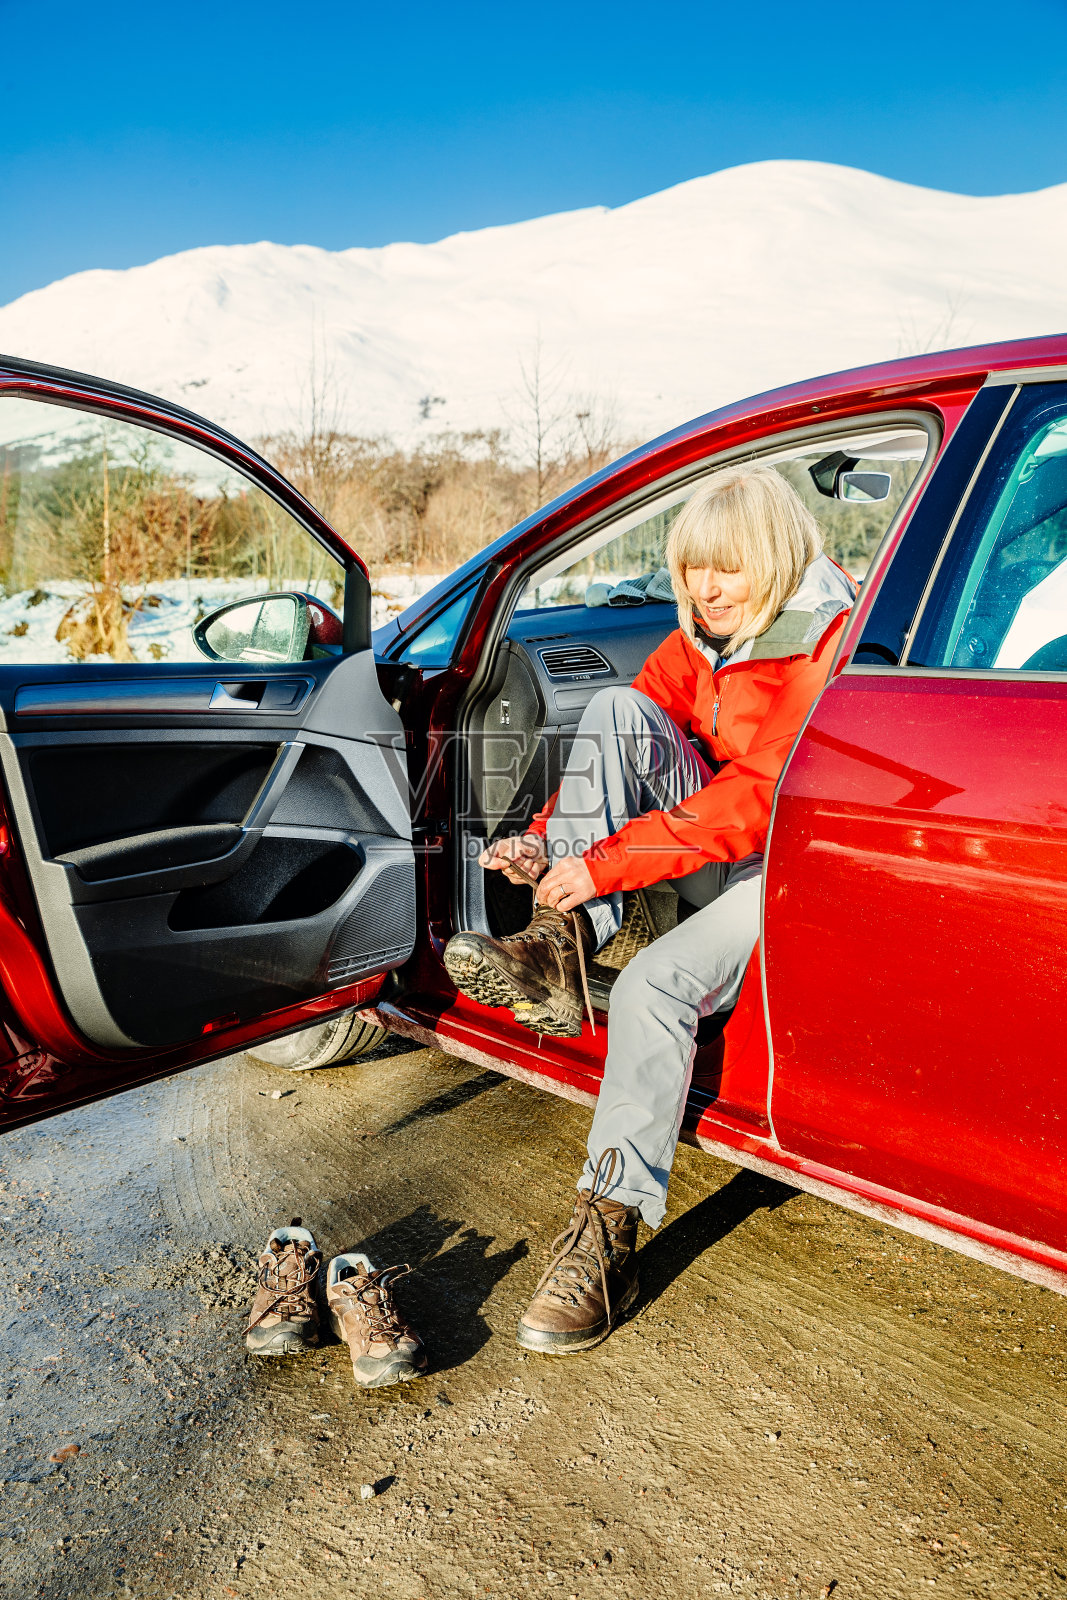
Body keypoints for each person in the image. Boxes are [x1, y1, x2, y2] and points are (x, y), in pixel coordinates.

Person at [444, 464, 856, 1354]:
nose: (704, 591)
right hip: (710, 855)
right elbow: (623, 742)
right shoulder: (700, 637)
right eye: (689, 571)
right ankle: (557, 945)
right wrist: (552, 850)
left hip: (785, 873)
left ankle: (608, 1226)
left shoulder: (826, 644)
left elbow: (758, 796)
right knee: (620, 703)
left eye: (726, 570)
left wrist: (603, 866)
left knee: (647, 993)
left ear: (776, 560)